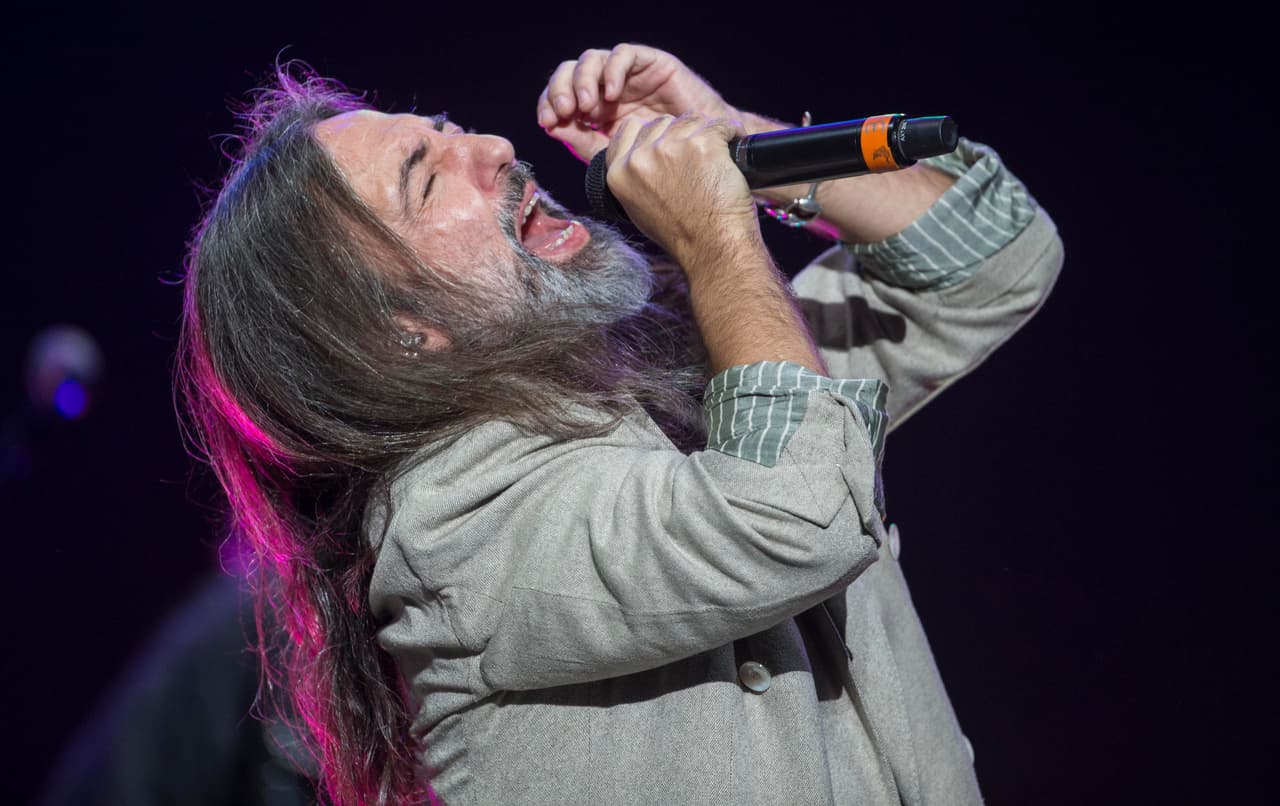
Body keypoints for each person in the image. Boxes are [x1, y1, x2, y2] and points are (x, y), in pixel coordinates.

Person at [177, 43, 1062, 805]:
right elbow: (794, 515)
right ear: (393, 333)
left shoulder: (659, 375)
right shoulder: (454, 531)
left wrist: (739, 140)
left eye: (449, 131)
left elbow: (990, 259)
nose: (491, 146)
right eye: (427, 176)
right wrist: (715, 233)